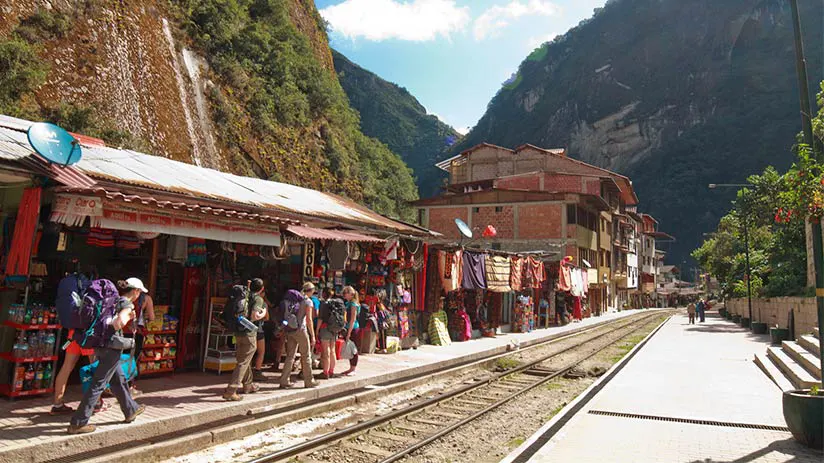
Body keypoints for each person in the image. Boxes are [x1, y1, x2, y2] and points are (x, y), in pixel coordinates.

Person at [67, 278, 146, 434]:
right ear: (136, 291)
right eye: (140, 292)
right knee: (98, 384)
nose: (139, 295)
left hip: (101, 345)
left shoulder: (112, 300)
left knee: (118, 379)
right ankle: (78, 422)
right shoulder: (126, 304)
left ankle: (130, 410)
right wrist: (128, 317)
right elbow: (118, 323)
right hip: (111, 347)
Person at [222, 278, 265, 401]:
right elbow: (254, 316)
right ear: (261, 289)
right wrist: (263, 313)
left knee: (243, 360)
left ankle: (248, 385)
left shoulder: (243, 296)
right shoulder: (258, 299)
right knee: (243, 363)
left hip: (238, 333)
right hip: (249, 334)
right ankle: (231, 390)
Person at [279, 283, 319, 389]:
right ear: (310, 290)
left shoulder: (293, 299)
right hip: (301, 330)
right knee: (306, 356)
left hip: (290, 330)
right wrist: (313, 335)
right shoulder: (308, 301)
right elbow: (309, 320)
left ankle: (284, 380)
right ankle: (309, 381)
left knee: (290, 356)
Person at [125, 289, 154, 396]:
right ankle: (129, 387)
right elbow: (152, 317)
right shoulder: (146, 298)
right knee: (132, 359)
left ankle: (113, 386)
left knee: (118, 359)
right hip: (136, 332)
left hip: (120, 331)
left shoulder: (121, 296)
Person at [316, 290, 338, 379]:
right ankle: (331, 371)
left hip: (325, 328)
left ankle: (325, 372)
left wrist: (317, 330)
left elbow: (320, 318)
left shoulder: (323, 304)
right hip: (334, 329)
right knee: (332, 350)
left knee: (326, 351)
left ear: (324, 294)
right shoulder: (336, 304)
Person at [342, 286, 360, 376]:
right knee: (350, 349)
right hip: (349, 327)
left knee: (353, 349)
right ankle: (351, 367)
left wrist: (349, 332)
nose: (344, 295)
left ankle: (353, 368)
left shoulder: (353, 304)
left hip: (353, 328)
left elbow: (353, 319)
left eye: (346, 293)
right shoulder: (348, 303)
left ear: (351, 294)